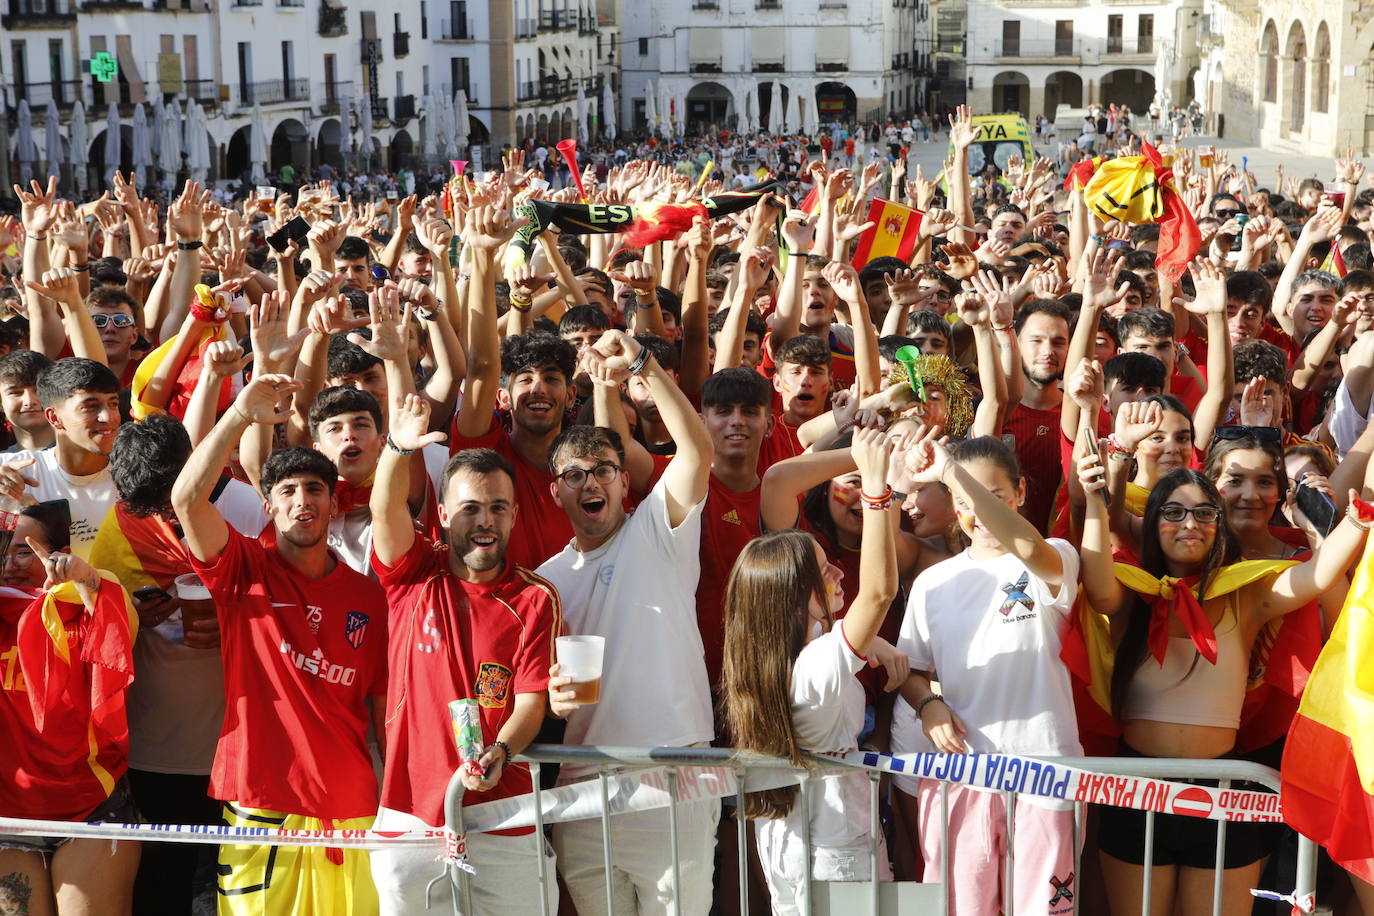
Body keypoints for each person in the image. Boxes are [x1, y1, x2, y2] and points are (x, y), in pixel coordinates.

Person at [1076, 451, 1371, 915]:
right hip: (1136, 791)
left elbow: (1315, 577)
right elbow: (1096, 585)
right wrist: (1096, 501)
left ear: (1219, 524)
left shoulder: (1245, 596)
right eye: (1172, 512)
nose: (1188, 524)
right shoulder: (1134, 593)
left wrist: (1356, 523)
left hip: (1225, 792)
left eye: (1203, 513)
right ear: (1152, 524)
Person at [171, 373, 388, 916]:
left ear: (333, 502)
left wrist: (394, 799)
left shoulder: (371, 595)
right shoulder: (243, 569)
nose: (302, 501)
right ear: (268, 507)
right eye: (287, 491)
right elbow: (186, 498)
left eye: (315, 489)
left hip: (353, 808)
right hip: (261, 803)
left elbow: (382, 712)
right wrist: (240, 413)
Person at [539, 329, 718, 916]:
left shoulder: (659, 531)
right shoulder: (542, 581)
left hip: (674, 775)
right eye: (575, 474)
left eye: (604, 469)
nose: (592, 481)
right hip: (583, 783)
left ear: (623, 480)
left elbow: (697, 453)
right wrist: (550, 694)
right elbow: (532, 682)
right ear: (556, 491)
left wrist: (643, 366)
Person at [368, 395, 561, 915]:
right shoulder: (412, 572)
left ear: (514, 515)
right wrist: (395, 450)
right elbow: (384, 509)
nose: (485, 521)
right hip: (409, 815)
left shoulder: (534, 598)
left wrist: (501, 750)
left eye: (498, 507)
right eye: (470, 508)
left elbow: (530, 703)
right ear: (445, 512)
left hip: (506, 818)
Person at [892, 435, 1082, 916]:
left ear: (1019, 492)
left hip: (1045, 773)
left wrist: (952, 471)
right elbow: (909, 671)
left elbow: (1023, 542)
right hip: (962, 775)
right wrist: (928, 703)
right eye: (963, 503)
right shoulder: (934, 582)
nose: (975, 513)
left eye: (991, 497)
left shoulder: (1052, 555)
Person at [722, 426, 899, 913]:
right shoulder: (816, 665)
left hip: (791, 840)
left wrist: (876, 643)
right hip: (833, 848)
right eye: (826, 572)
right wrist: (878, 489)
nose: (840, 573)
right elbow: (879, 593)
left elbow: (778, 479)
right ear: (795, 598)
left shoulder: (768, 655)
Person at [0, 510, 141, 916]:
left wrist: (84, 577)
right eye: (3, 551)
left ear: (58, 555)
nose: (10, 564)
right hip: (10, 816)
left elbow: (118, 617)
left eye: (25, 552)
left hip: (92, 810)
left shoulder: (89, 610)